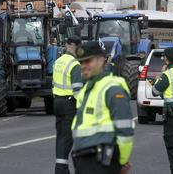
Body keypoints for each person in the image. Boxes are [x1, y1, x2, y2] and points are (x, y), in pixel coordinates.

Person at [71, 41, 134, 174]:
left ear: (101, 60)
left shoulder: (112, 88)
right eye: (81, 62)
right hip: (83, 160)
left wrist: (121, 162)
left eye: (88, 61)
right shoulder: (87, 89)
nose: (83, 66)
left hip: (102, 163)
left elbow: (125, 131)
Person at [52, 36, 83, 174]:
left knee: (60, 135)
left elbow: (54, 82)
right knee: (67, 137)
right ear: (76, 47)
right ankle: (61, 169)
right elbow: (77, 90)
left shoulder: (58, 61)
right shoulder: (74, 64)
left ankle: (60, 166)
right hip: (69, 103)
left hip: (57, 101)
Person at [152, 48, 173, 174]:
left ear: (167, 59)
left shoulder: (167, 75)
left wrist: (159, 78)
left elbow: (155, 91)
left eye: (164, 57)